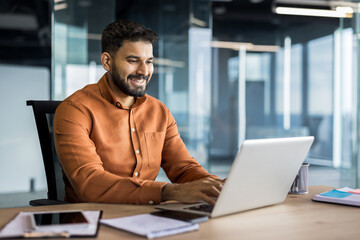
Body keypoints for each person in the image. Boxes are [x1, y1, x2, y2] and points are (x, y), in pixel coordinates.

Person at [54, 19, 223, 206]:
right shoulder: (75, 110)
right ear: (107, 61)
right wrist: (167, 191)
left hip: (149, 218)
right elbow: (90, 183)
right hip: (94, 222)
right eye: (133, 61)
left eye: (149, 62)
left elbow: (183, 169)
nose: (144, 71)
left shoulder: (159, 111)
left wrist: (219, 187)